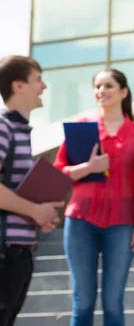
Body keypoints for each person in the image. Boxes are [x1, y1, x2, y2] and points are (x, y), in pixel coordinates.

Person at [53, 69, 134, 326]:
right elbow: (58, 173)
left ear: (123, 91)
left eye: (108, 85)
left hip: (122, 223)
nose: (101, 91)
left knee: (113, 303)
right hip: (80, 220)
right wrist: (88, 167)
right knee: (83, 301)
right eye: (97, 86)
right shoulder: (80, 129)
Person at [0, 55, 62, 326]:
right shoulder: (4, 127)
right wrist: (35, 210)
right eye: (38, 79)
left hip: (19, 250)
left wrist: (39, 216)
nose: (44, 86)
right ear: (18, 86)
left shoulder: (19, 131)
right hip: (6, 251)